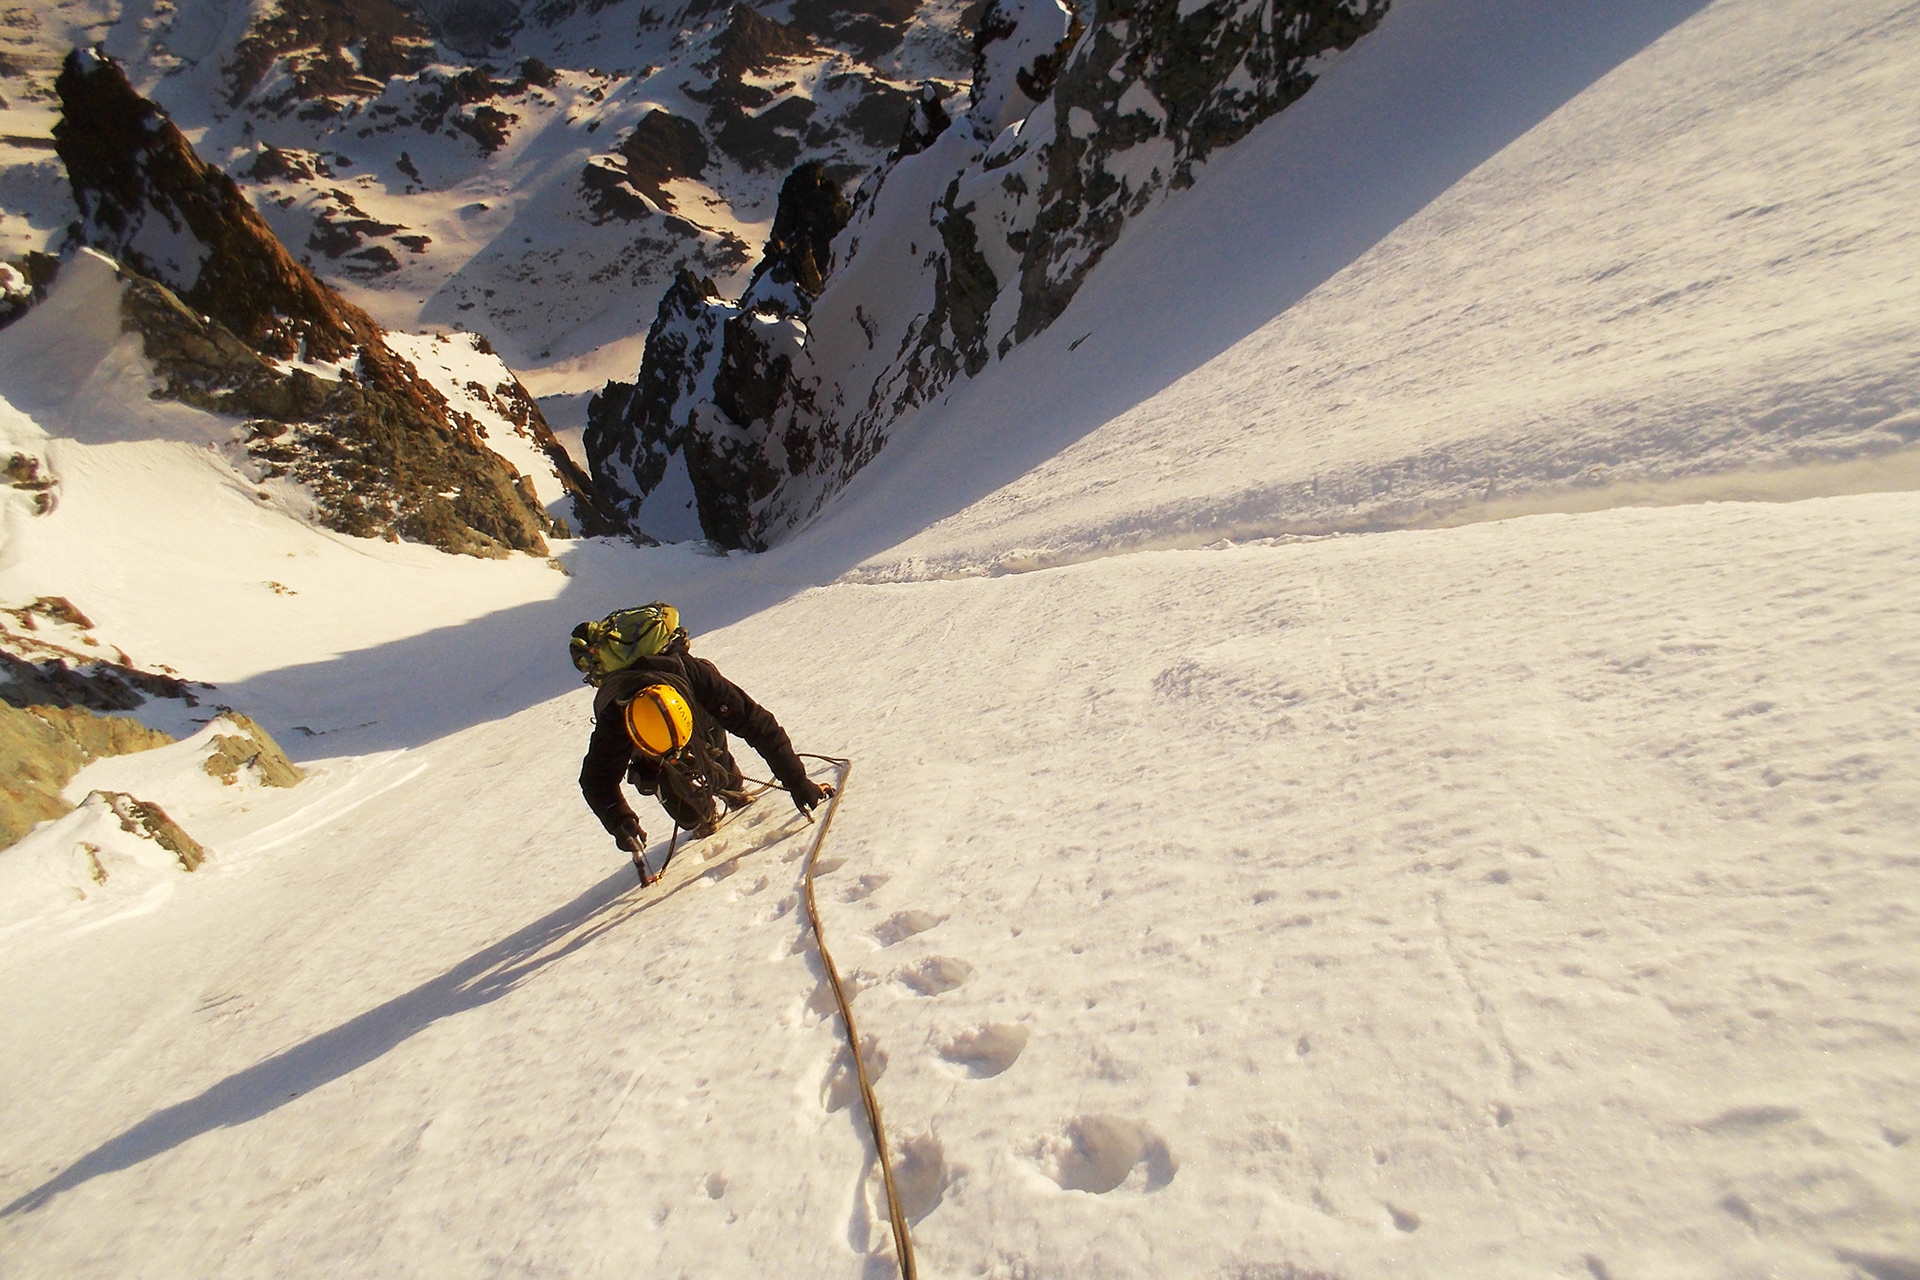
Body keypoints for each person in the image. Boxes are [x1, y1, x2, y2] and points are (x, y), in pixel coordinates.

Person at [574, 607, 829, 883]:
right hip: (649, 751)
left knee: (712, 742)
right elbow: (596, 779)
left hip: (697, 713)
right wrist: (620, 820)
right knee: (690, 817)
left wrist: (797, 780)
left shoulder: (695, 675)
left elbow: (755, 722)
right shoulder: (616, 716)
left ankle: (730, 785)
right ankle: (684, 797)